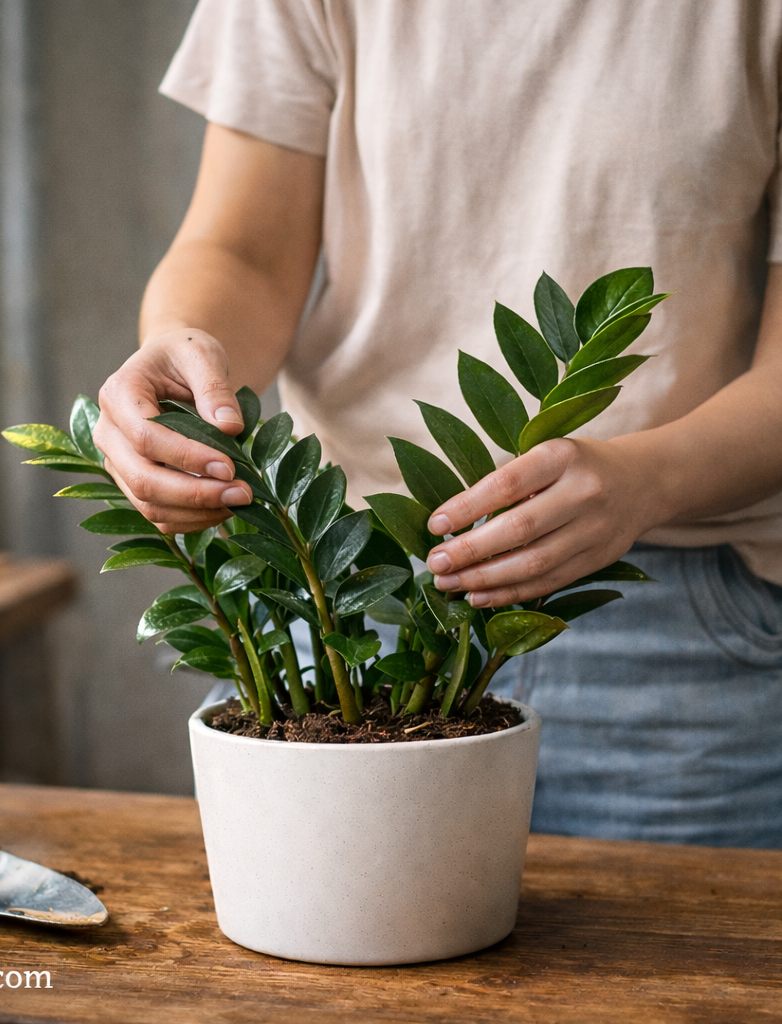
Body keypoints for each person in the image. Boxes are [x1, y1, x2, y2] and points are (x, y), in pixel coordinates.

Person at [95, 1, 782, 848]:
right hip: (345, 589)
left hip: (678, 634)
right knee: (287, 980)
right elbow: (244, 250)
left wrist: (649, 479)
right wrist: (185, 358)